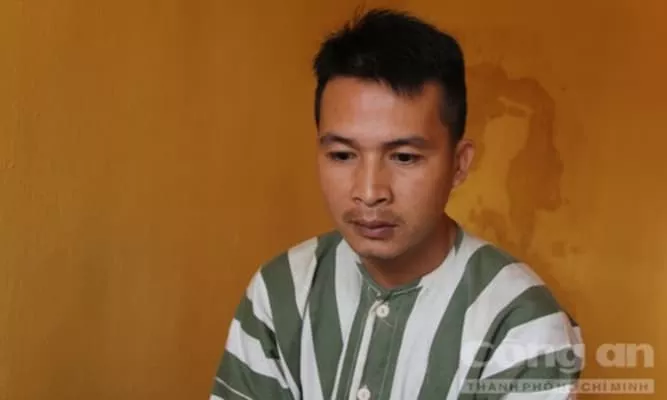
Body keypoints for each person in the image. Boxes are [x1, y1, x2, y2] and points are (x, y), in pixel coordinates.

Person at [210, 8, 584, 400]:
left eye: (404, 157)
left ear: (459, 164)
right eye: (342, 155)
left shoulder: (519, 323)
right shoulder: (281, 292)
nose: (370, 191)